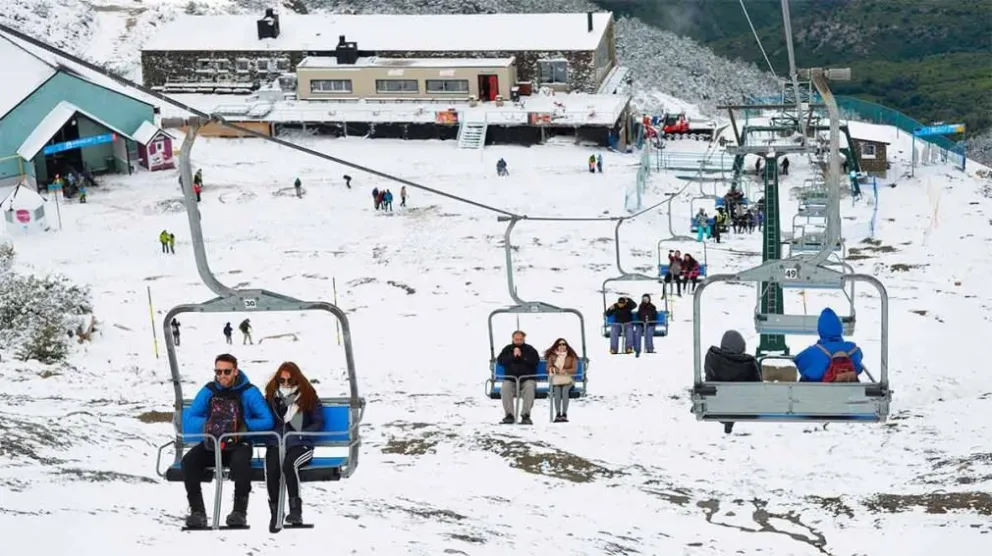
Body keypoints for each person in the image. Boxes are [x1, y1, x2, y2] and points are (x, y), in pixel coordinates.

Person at [181, 354, 274, 529]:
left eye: (227, 371)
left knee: (241, 464)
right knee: (189, 462)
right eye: (218, 371)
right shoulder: (209, 391)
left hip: (239, 443)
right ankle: (197, 512)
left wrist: (243, 427)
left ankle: (239, 512)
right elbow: (190, 418)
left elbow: (267, 420)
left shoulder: (248, 392)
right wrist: (210, 425)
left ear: (235, 371)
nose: (222, 375)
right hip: (213, 444)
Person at [263, 362, 324, 531]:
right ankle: (275, 512)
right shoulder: (271, 397)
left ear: (297, 379)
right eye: (282, 380)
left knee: (290, 465)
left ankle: (295, 510)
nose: (285, 384)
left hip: (300, 444)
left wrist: (301, 434)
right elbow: (265, 420)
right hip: (277, 442)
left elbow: (318, 421)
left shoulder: (307, 396)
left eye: (290, 380)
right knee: (271, 469)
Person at [704, 330, 761, 433]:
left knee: (728, 398)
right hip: (746, 410)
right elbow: (758, 386)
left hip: (715, 408)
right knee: (738, 399)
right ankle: (730, 418)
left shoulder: (712, 358)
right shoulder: (748, 363)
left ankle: (728, 419)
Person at [794, 308, 864, 382]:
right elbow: (858, 367)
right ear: (839, 327)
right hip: (851, 391)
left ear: (820, 329)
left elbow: (800, 361)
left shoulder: (814, 351)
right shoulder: (854, 349)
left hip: (820, 392)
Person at [496, 330, 540, 425]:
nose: (518, 341)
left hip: (527, 378)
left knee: (529, 388)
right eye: (516, 339)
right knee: (505, 388)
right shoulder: (507, 349)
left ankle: (525, 415)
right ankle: (509, 415)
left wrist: (522, 356)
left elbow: (535, 361)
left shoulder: (530, 349)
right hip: (511, 379)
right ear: (513, 339)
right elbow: (501, 361)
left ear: (524, 339)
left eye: (520, 339)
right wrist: (512, 356)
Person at [545, 338, 578, 422]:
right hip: (556, 379)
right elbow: (548, 368)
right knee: (557, 392)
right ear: (557, 346)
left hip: (568, 379)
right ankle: (558, 414)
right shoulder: (552, 356)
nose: (562, 346)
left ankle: (564, 414)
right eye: (560, 344)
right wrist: (555, 370)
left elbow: (574, 369)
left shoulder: (571, 356)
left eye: (564, 344)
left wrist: (565, 371)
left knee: (565, 391)